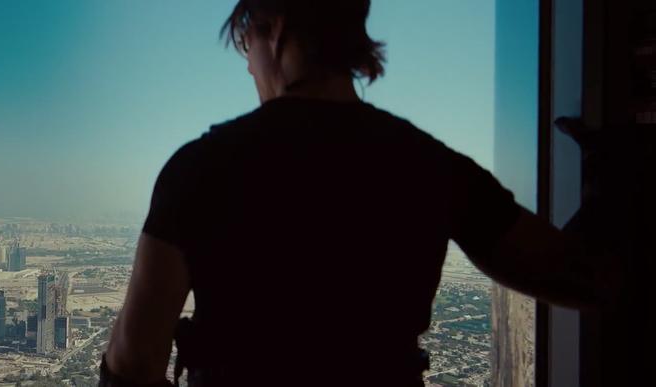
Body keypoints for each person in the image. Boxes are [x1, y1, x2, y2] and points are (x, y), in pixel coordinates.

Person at [101, 1, 620, 386]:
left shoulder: (200, 169)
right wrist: (611, 176)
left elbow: (133, 361)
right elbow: (581, 275)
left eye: (246, 44)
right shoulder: (430, 164)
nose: (247, 64)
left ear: (276, 30)